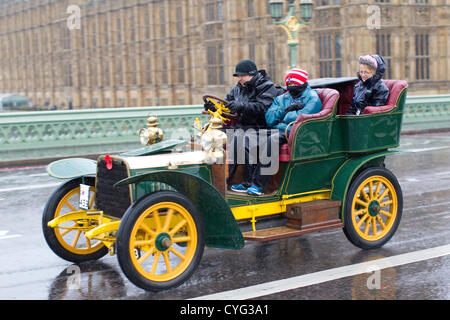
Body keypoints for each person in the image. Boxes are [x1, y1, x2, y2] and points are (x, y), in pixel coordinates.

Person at [204, 59, 278, 196]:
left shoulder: (267, 87)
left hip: (260, 127)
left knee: (242, 139)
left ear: (252, 75)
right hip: (241, 126)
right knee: (211, 135)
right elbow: (226, 106)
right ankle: (213, 178)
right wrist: (213, 108)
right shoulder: (238, 88)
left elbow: (264, 108)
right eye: (238, 76)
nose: (239, 79)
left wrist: (242, 106)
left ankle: (241, 182)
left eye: (241, 76)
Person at [265, 68, 322, 142]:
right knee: (252, 136)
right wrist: (285, 111)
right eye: (289, 84)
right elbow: (269, 119)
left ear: (302, 83)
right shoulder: (282, 98)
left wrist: (281, 121)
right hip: (280, 129)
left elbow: (299, 120)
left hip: (301, 132)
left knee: (272, 140)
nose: (291, 87)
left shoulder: (312, 98)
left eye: (294, 84)